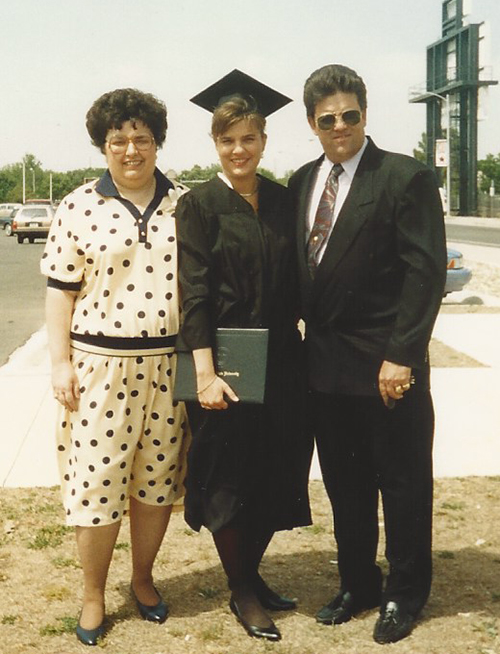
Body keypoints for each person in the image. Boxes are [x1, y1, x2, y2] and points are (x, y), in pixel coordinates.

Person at [288, 64, 447, 644]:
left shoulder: (404, 178)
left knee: (403, 485)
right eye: (327, 119)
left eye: (349, 116)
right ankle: (358, 582)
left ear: (364, 113)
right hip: (326, 371)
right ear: (312, 123)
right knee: (345, 487)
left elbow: (424, 273)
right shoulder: (305, 179)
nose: (340, 127)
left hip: (387, 369)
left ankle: (405, 594)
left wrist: (403, 354)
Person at [41, 88, 190, 646]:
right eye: (119, 140)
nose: (131, 150)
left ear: (157, 143)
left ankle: (144, 580)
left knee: (157, 484)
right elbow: (59, 293)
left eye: (142, 139)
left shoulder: (185, 203)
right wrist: (61, 364)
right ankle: (93, 594)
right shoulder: (78, 206)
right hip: (100, 369)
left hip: (167, 367)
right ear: (103, 146)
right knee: (97, 485)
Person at [175, 70, 313, 642]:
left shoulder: (284, 202)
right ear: (216, 145)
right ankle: (240, 592)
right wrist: (204, 373)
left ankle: (250, 575)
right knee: (228, 479)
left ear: (264, 141)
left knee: (276, 472)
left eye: (249, 138)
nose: (239, 150)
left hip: (282, 359)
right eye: (227, 140)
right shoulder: (200, 205)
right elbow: (195, 293)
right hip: (223, 360)